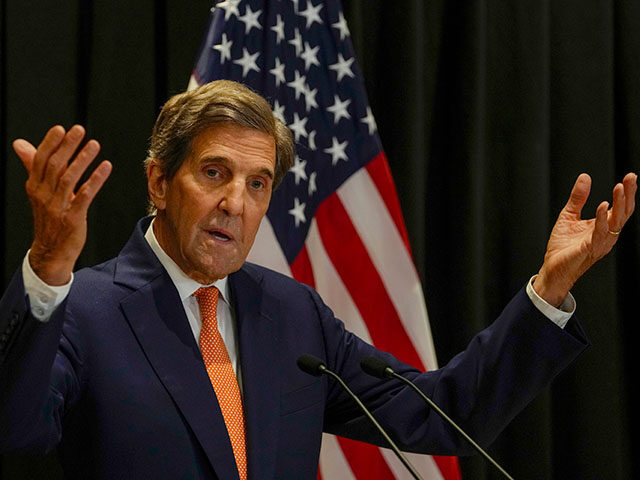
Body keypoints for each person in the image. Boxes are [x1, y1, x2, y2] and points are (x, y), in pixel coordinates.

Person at [0, 80, 636, 480]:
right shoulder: (82, 307)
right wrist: (50, 266)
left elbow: (444, 416)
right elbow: (18, 432)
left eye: (258, 184)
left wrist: (548, 292)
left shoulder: (290, 312)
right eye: (215, 174)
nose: (237, 205)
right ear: (159, 183)